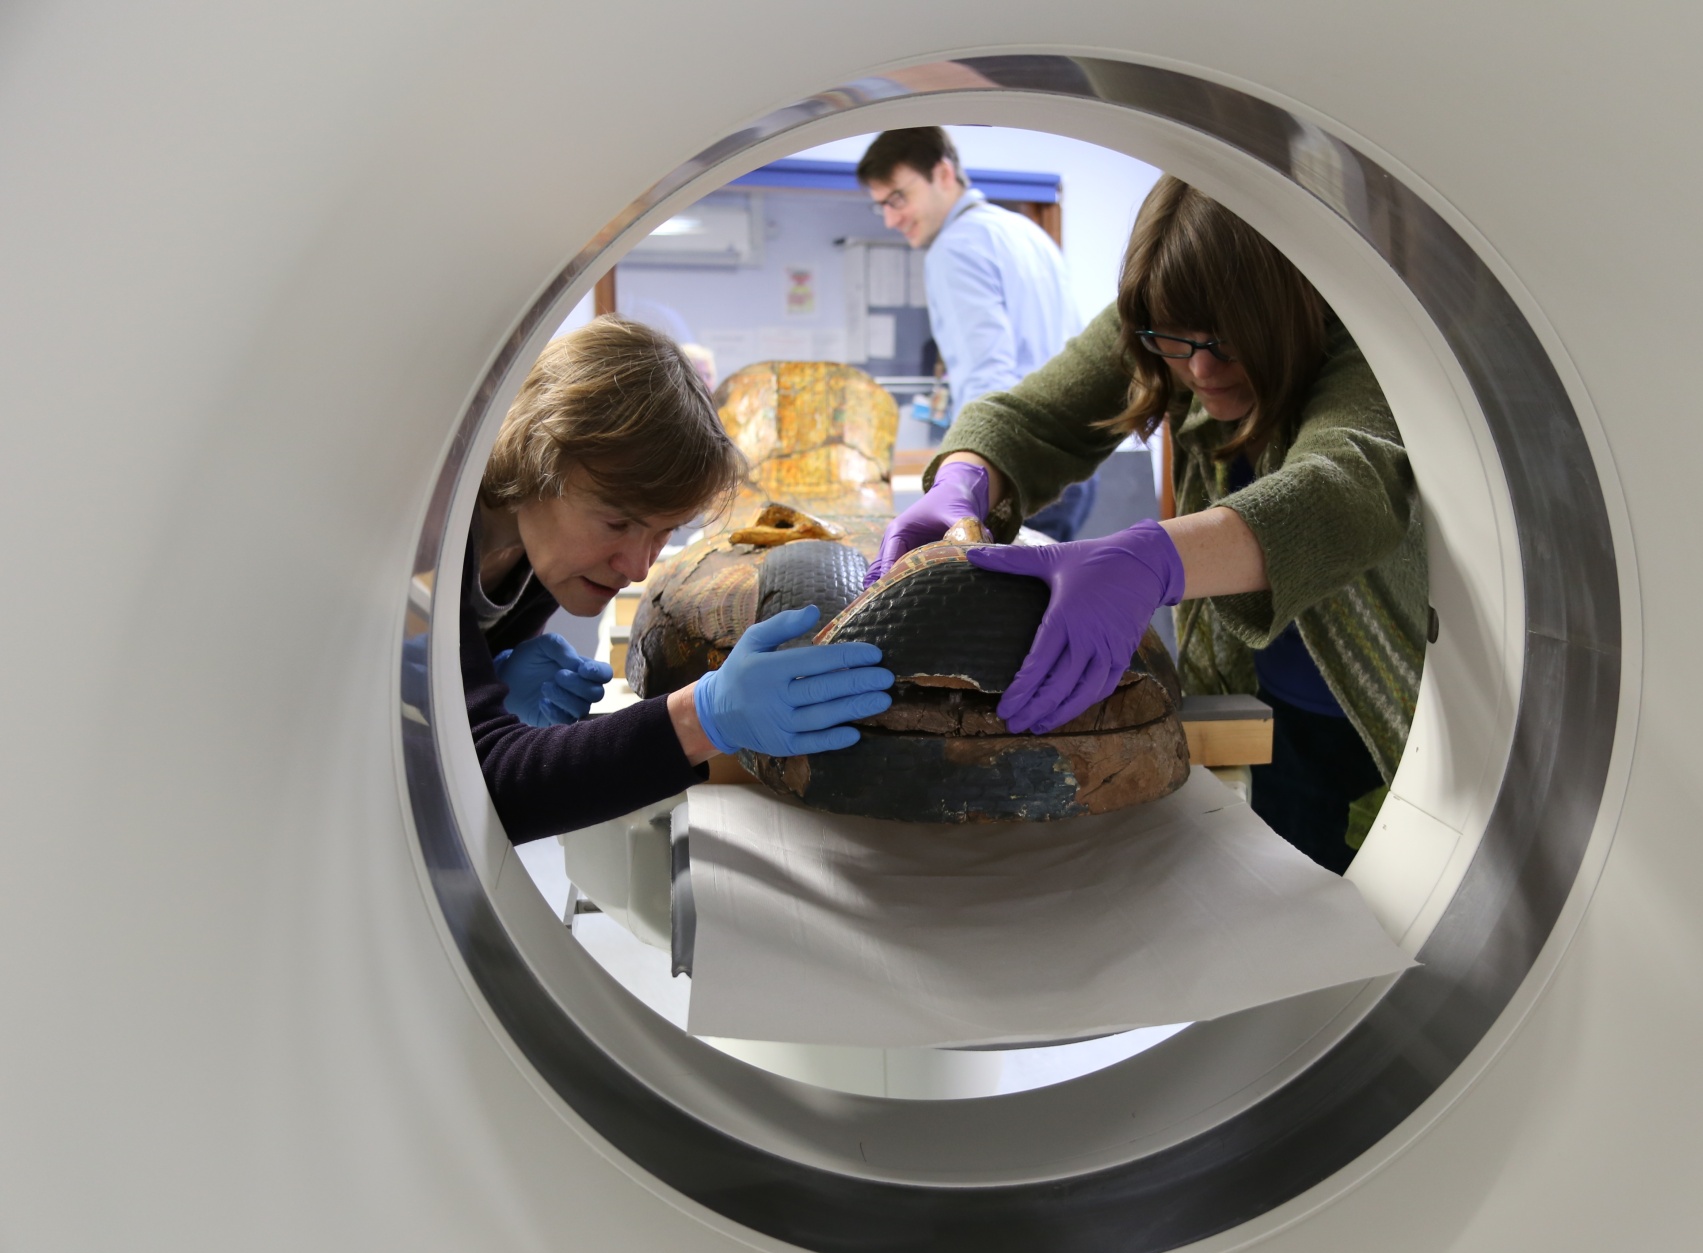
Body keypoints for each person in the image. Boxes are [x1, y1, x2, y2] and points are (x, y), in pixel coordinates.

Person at [869, 179, 1428, 873]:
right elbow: (1029, 416)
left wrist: (1150, 559)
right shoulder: (1162, 314)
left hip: (1380, 721)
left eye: (1226, 343)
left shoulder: (1364, 345)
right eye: (1176, 341)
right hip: (1255, 698)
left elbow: (1345, 488)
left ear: (1291, 309)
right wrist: (965, 477)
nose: (1198, 367)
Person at [461, 315, 893, 843]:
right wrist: (702, 716)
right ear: (538, 453)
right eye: (617, 523)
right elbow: (493, 786)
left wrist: (487, 682)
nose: (638, 568)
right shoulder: (429, 549)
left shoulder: (528, 552)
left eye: (662, 533)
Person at [855, 127, 1094, 560]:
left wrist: (967, 484)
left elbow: (989, 376)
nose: (891, 219)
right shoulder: (1022, 231)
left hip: (1017, 470)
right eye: (881, 206)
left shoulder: (955, 247)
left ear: (943, 174)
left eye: (897, 198)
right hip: (1072, 468)